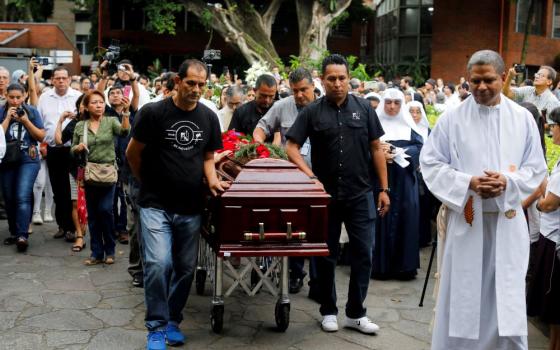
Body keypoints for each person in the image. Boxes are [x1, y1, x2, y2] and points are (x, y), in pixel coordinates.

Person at [420, 49, 547, 350]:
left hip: (507, 223)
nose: (481, 87)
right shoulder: (452, 119)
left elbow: (536, 168)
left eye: (488, 80)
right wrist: (468, 183)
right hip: (468, 223)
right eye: (474, 81)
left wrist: (507, 182)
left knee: (506, 296)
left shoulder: (523, 119)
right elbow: (430, 163)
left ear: (503, 78)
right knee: (463, 295)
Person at [126, 59, 229, 350]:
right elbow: (133, 153)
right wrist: (147, 181)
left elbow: (209, 157)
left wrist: (212, 181)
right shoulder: (153, 113)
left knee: (185, 268)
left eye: (201, 84)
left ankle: (173, 320)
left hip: (190, 206)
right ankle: (156, 327)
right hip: (155, 204)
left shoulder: (209, 117)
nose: (196, 89)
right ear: (177, 81)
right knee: (159, 264)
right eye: (191, 83)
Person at [285, 54, 389, 334]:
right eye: (331, 78)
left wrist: (384, 189)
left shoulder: (365, 109)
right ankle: (328, 310)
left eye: (342, 78)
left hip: (360, 194)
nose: (338, 83)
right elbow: (291, 146)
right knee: (326, 255)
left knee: (364, 253)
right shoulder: (312, 112)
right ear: (323, 80)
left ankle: (356, 313)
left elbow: (376, 148)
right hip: (325, 196)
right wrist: (310, 177)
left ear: (348, 79)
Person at [253, 67, 316, 295]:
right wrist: (263, 150)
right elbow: (260, 129)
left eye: (304, 90)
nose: (299, 95)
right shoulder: (282, 106)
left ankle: (310, 278)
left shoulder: (324, 108)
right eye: (295, 91)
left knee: (314, 230)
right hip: (287, 178)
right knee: (290, 226)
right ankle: (287, 272)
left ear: (313, 88)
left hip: (316, 179)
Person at [71, 90, 130, 265]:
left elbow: (124, 132)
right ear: (87, 107)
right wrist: (78, 148)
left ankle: (110, 250)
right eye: (94, 103)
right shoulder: (80, 126)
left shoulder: (111, 121)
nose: (99, 105)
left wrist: (125, 113)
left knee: (105, 210)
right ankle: (96, 252)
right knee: (94, 214)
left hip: (108, 172)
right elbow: (71, 149)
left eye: (101, 102)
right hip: (89, 173)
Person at [372, 89, 422, 280]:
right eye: (388, 102)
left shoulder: (410, 128)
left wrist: (396, 151)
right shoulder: (375, 125)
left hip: (404, 180)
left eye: (397, 103)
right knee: (379, 217)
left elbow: (419, 149)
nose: (392, 107)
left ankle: (405, 267)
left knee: (405, 217)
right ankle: (380, 267)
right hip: (379, 180)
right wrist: (379, 155)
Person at [525, 107, 560, 350]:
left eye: (555, 126)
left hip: (555, 239)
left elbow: (548, 204)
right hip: (551, 235)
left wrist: (538, 199)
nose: (552, 131)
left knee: (555, 301)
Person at [37, 66, 82, 241]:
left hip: (73, 149)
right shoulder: (45, 97)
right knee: (57, 189)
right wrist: (41, 144)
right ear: (52, 80)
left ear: (69, 79)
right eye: (58, 78)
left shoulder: (77, 97)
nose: (61, 81)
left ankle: (73, 227)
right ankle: (62, 225)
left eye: (64, 78)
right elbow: (40, 123)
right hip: (53, 149)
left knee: (71, 190)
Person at [0, 83, 45, 252]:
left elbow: (41, 136)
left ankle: (22, 235)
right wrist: (7, 119)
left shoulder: (32, 111)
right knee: (9, 197)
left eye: (18, 97)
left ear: (25, 96)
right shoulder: (1, 111)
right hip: (6, 159)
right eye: (11, 97)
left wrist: (25, 120)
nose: (15, 101)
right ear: (6, 95)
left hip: (28, 158)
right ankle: (14, 231)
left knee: (22, 195)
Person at [55, 94, 87, 252]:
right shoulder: (74, 123)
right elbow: (59, 141)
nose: (86, 106)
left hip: (99, 169)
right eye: (83, 103)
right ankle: (79, 235)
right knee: (76, 202)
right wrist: (61, 121)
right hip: (77, 168)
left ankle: (93, 232)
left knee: (96, 205)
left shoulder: (104, 121)